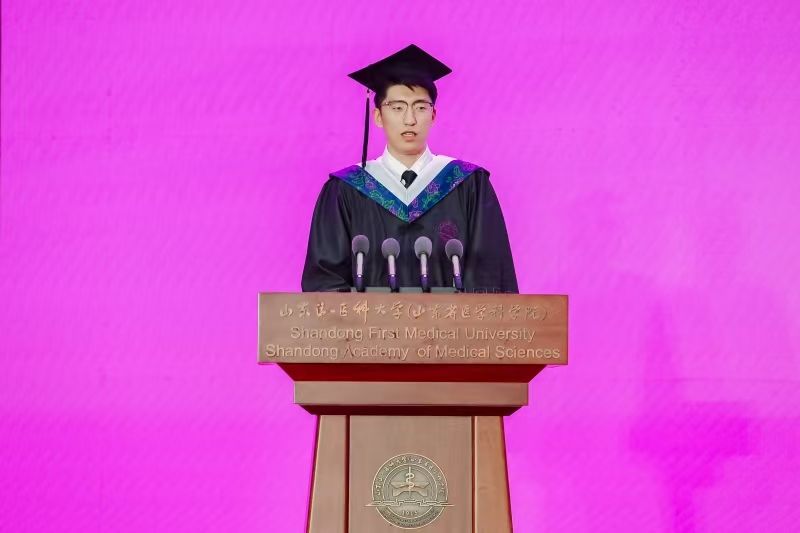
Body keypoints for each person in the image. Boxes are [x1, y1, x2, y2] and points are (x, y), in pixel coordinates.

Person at [301, 44, 518, 293]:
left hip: (451, 320)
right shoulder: (346, 189)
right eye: (397, 108)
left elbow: (490, 277)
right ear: (378, 116)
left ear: (433, 115)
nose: (410, 119)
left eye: (420, 107)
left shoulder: (468, 184)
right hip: (369, 321)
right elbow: (325, 284)